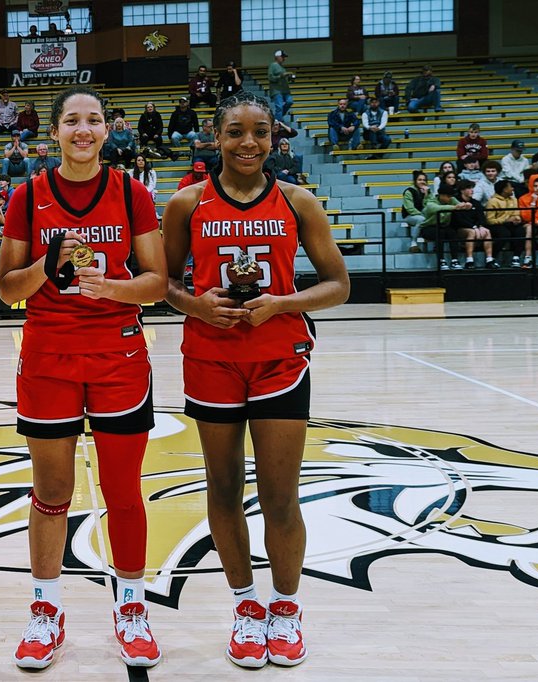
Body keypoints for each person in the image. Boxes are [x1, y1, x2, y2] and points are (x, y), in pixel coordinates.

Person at [160, 91, 349, 671]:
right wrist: (196, 304)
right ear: (215, 137)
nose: (248, 142)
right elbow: (163, 284)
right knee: (222, 489)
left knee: (279, 496)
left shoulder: (298, 200)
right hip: (211, 359)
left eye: (260, 132)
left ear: (274, 138)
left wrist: (282, 304)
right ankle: (246, 606)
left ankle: (286, 608)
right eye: (236, 132)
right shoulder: (186, 203)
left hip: (279, 358)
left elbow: (338, 285)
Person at [0, 84, 167, 672]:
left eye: (93, 120)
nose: (83, 130)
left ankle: (132, 607)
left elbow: (157, 283)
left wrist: (111, 288)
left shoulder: (131, 192)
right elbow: (7, 290)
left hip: (118, 355)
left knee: (122, 491)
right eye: (72, 120)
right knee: (50, 492)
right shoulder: (27, 196)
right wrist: (50, 265)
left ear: (106, 129)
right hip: (49, 356)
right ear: (54, 132)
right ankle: (46, 609)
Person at [448, 180, 497, 269]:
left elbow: (481, 217)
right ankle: (469, 260)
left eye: (472, 188)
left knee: (487, 231)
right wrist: (474, 227)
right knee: (472, 232)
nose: (472, 190)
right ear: (462, 190)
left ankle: (489, 259)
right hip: (460, 228)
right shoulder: (456, 202)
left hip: (475, 227)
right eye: (469, 188)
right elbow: (458, 220)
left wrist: (480, 226)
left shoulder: (476, 203)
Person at [485, 179, 524, 267]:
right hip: (496, 225)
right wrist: (505, 220)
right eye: (510, 187)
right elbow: (490, 220)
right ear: (504, 189)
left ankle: (516, 257)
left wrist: (517, 219)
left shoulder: (514, 199)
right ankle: (492, 257)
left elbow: (516, 214)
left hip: (510, 224)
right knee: (505, 233)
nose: (513, 188)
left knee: (521, 231)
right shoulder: (492, 201)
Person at [401, 171, 430, 253]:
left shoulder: (427, 191)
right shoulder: (409, 191)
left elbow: (429, 206)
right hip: (410, 216)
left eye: (424, 180)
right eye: (420, 180)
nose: (422, 182)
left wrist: (426, 195)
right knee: (421, 219)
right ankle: (413, 242)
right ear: (415, 181)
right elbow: (410, 208)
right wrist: (423, 215)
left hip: (424, 215)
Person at [267, 51, 294, 120]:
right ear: (277, 57)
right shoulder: (273, 65)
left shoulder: (282, 67)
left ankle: (278, 118)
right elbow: (270, 78)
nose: (284, 59)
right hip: (276, 90)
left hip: (285, 90)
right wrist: (281, 76)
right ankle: (278, 121)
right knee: (279, 107)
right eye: (282, 57)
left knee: (289, 101)